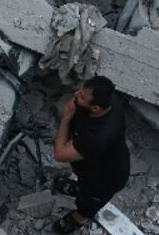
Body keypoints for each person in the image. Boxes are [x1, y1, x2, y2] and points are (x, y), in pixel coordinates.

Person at [50, 75, 130, 234]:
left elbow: (60, 154)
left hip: (105, 177)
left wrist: (66, 119)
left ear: (95, 109)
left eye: (81, 97)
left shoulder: (98, 137)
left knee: (89, 201)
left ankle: (79, 218)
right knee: (84, 184)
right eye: (80, 89)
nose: (76, 94)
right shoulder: (108, 99)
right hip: (90, 165)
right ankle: (80, 188)